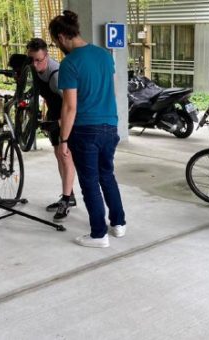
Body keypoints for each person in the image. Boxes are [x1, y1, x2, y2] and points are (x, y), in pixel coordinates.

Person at [50, 10, 126, 248]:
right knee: (107, 176)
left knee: (90, 182)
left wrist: (63, 140)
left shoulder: (70, 63)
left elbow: (70, 107)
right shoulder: (104, 56)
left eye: (55, 41)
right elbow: (109, 91)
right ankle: (119, 224)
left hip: (85, 130)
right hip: (110, 126)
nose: (57, 45)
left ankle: (98, 234)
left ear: (62, 37)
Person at [25, 38, 77, 221]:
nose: (35, 63)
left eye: (39, 60)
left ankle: (66, 200)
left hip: (66, 116)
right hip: (55, 115)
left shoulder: (56, 74)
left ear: (46, 56)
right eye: (31, 59)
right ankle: (68, 194)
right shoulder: (34, 68)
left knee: (66, 156)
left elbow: (71, 103)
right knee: (58, 155)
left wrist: (64, 123)